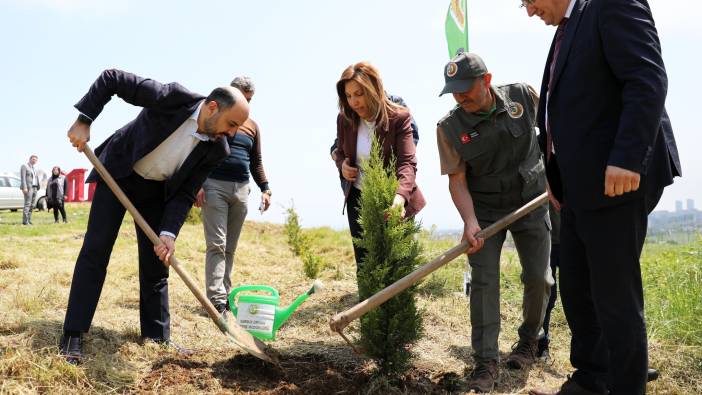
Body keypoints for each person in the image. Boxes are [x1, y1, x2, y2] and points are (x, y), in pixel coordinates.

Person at [523, 0, 681, 394]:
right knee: (577, 289)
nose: (528, 11)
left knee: (614, 296)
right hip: (579, 187)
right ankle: (593, 378)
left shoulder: (612, 4)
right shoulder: (567, 28)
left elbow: (647, 79)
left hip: (618, 181)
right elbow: (568, 113)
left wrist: (628, 158)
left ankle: (627, 387)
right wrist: (555, 177)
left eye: (527, 0)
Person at [60, 69, 250, 364]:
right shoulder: (173, 98)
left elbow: (186, 192)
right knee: (96, 251)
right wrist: (84, 119)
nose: (234, 132)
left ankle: (157, 337)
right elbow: (112, 79)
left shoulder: (218, 148)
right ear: (213, 107)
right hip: (119, 173)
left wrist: (168, 233)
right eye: (232, 123)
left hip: (155, 192)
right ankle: (72, 333)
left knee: (157, 265)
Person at [436, 52, 552, 393]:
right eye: (453, 91)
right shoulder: (450, 128)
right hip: (485, 209)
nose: (460, 97)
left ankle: (529, 342)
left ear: (486, 80)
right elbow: (457, 180)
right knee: (484, 282)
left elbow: (551, 129)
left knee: (539, 278)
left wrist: (556, 176)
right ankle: (485, 360)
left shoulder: (521, 95)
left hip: (532, 199)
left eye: (466, 89)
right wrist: (469, 221)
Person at [334, 61, 425, 271]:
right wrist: (342, 165)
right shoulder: (344, 119)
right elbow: (339, 151)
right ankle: (368, 304)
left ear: (374, 89)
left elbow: (407, 163)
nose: (354, 102)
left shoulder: (399, 117)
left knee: (397, 267)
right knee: (366, 266)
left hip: (392, 201)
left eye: (359, 94)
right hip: (358, 200)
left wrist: (400, 198)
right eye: (348, 96)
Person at [195, 76, 271, 316]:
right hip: (213, 186)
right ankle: (215, 300)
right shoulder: (215, 119)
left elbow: (256, 160)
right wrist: (196, 184)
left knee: (230, 247)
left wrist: (265, 187)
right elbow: (198, 150)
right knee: (216, 244)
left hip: (241, 188)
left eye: (249, 100)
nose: (245, 103)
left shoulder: (252, 126)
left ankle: (225, 294)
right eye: (242, 97)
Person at [19, 154, 39, 225]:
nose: (35, 161)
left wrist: (37, 186)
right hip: (28, 188)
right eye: (33, 159)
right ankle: (25, 221)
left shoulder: (34, 168)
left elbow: (36, 178)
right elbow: (23, 178)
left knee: (32, 205)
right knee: (27, 204)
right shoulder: (24, 166)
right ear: (30, 159)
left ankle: (29, 220)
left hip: (35, 187)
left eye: (36, 160)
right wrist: (24, 187)